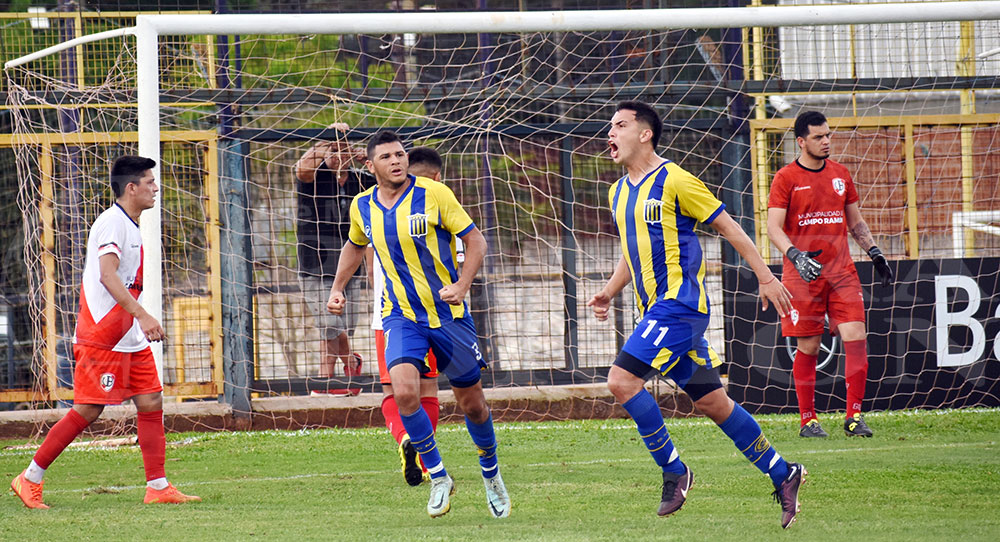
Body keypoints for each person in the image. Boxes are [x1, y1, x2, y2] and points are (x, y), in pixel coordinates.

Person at [587, 101, 805, 528]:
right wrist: (609, 291)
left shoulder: (676, 180)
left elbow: (730, 227)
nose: (610, 132)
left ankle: (674, 471)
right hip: (657, 312)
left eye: (620, 125)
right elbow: (635, 251)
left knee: (621, 380)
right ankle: (784, 473)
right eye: (610, 126)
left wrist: (765, 276)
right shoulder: (618, 193)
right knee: (712, 402)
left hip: (681, 307)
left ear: (645, 134)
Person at [327, 130, 511, 519]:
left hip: (447, 316)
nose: (396, 161)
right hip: (400, 316)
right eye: (387, 157)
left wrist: (462, 285)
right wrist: (338, 287)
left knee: (473, 405)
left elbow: (476, 242)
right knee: (405, 393)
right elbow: (355, 244)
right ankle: (439, 476)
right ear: (370, 165)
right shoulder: (362, 206)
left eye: (400, 154)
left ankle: (491, 472)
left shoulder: (434, 194)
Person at [10, 155, 201, 509]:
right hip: (102, 335)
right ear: (132, 188)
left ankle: (158, 486)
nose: (156, 188)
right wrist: (143, 315)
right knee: (88, 409)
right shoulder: (112, 223)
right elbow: (107, 275)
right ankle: (30, 477)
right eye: (150, 182)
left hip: (127, 336)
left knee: (151, 400)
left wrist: (136, 321)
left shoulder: (130, 224)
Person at [766, 110, 893, 439]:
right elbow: (773, 227)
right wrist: (795, 255)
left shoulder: (840, 174)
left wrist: (874, 251)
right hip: (803, 275)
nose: (826, 141)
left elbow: (855, 221)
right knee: (809, 347)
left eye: (827, 135)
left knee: (856, 337)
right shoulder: (785, 178)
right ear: (801, 141)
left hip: (842, 273)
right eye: (818, 137)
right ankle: (808, 421)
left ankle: (854, 418)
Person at [368, 147, 446, 487]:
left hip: (386, 315)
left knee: (393, 389)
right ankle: (427, 463)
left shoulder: (376, 207)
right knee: (427, 388)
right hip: (431, 315)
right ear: (438, 178)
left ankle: (404, 437)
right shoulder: (441, 210)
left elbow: (365, 252)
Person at [294, 123, 368, 386]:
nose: (337, 155)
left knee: (340, 328)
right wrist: (327, 138)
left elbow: (389, 183)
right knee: (330, 324)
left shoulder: (362, 179)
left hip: (350, 267)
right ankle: (351, 363)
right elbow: (302, 169)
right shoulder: (313, 177)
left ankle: (326, 381)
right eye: (332, 149)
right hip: (314, 264)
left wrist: (367, 160)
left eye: (343, 149)